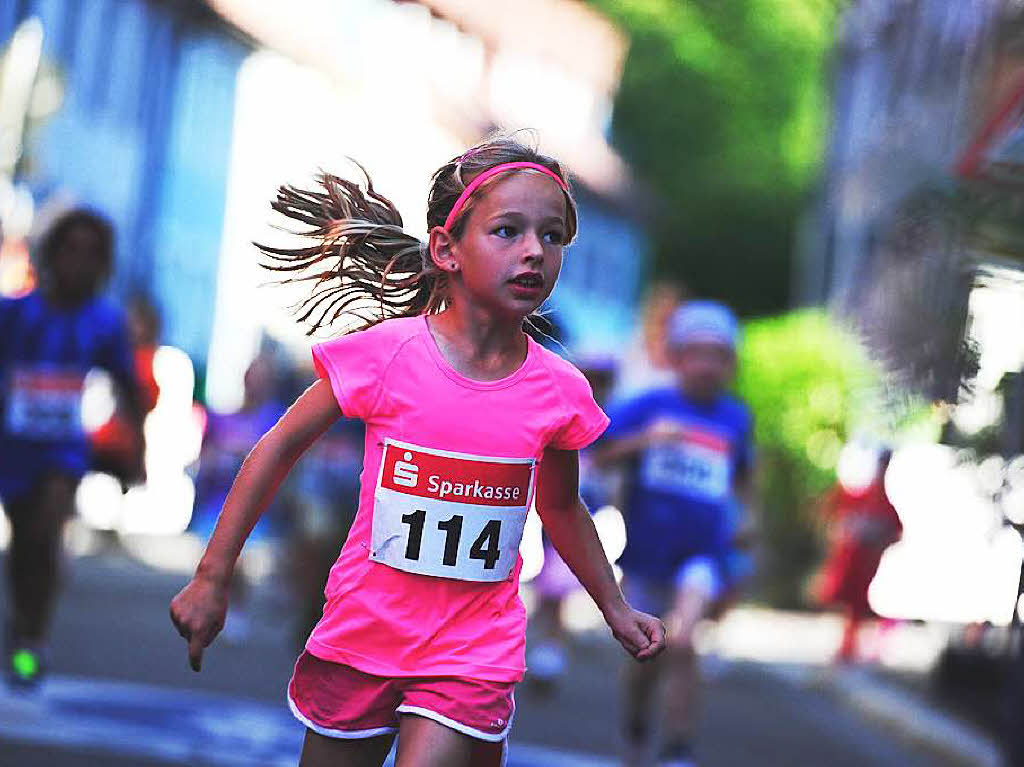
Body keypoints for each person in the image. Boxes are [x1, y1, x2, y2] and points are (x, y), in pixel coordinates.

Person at [170, 136, 666, 767]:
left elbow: (562, 508)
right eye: (507, 231)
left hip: (474, 649)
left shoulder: (559, 390)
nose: (534, 251)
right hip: (364, 632)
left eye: (553, 236)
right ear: (445, 249)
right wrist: (213, 577)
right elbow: (278, 448)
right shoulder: (385, 355)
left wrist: (616, 609)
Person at [594, 300, 755, 767]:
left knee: (683, 641)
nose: (707, 366)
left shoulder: (735, 417)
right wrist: (647, 441)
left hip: (703, 552)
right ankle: (637, 726)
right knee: (648, 654)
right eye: (697, 354)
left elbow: (744, 477)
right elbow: (596, 457)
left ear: (730, 364)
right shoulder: (648, 405)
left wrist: (747, 520)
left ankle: (679, 745)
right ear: (677, 356)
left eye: (718, 356)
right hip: (647, 552)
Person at [0, 208, 144, 688]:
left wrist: (135, 451)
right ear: (52, 253)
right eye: (70, 250)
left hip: (62, 450)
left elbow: (129, 386)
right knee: (24, 548)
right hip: (13, 447)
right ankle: (23, 623)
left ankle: (32, 641)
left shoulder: (104, 321)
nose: (78, 262)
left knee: (46, 532)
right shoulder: (16, 312)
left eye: (91, 254)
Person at [815, 448, 902, 664]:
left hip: (871, 563)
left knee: (862, 606)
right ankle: (848, 647)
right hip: (854, 559)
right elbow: (836, 511)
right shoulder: (861, 496)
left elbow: (895, 532)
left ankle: (861, 647)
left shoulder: (887, 501)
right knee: (851, 606)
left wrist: (876, 539)